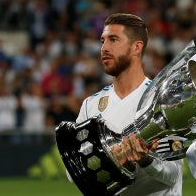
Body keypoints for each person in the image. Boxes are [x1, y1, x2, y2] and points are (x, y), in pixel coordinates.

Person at [75, 13, 183, 195]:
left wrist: (146, 161)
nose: (104, 48)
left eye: (113, 39)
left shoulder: (163, 100)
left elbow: (173, 174)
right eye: (103, 41)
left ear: (136, 47)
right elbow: (75, 172)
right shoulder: (90, 105)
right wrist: (109, 157)